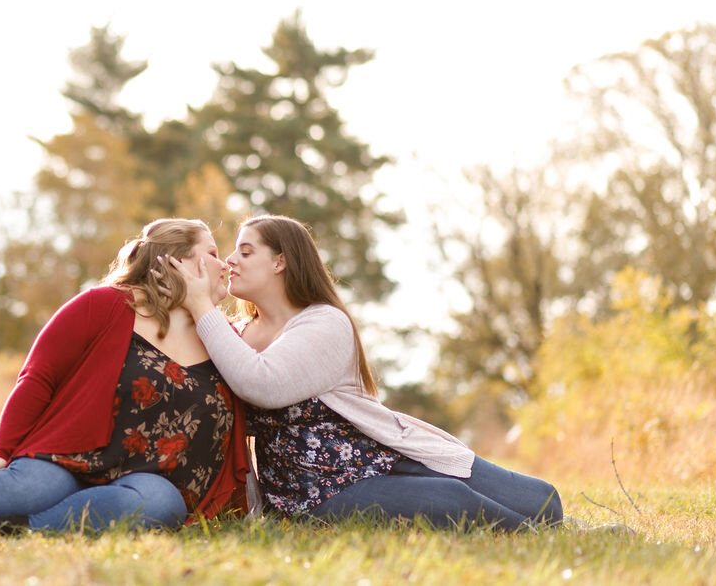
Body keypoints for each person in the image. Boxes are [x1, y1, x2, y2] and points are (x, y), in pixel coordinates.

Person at [165, 214, 562, 532]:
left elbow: (263, 382)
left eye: (245, 252)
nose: (230, 261)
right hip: (315, 489)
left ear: (280, 261)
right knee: (452, 501)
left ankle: (559, 526)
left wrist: (204, 309)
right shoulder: (232, 335)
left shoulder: (324, 323)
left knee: (543, 500)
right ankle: (539, 536)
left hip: (381, 455)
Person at [0, 218, 249, 532]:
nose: (226, 264)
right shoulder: (102, 305)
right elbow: (38, 378)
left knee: (159, 504)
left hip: (153, 482)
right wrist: (0, 452)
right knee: (26, 488)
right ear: (175, 260)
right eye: (214, 253)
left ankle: (21, 527)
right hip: (73, 459)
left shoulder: (221, 338)